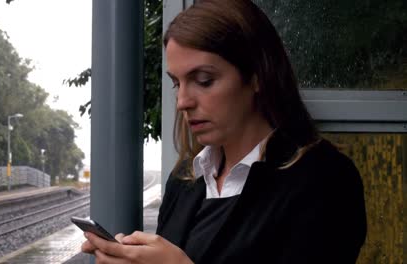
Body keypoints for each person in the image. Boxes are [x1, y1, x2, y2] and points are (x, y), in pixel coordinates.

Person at [81, 0, 367, 263]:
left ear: (258, 76)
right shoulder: (185, 180)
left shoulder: (324, 179)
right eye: (176, 83)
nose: (182, 102)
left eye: (204, 80)